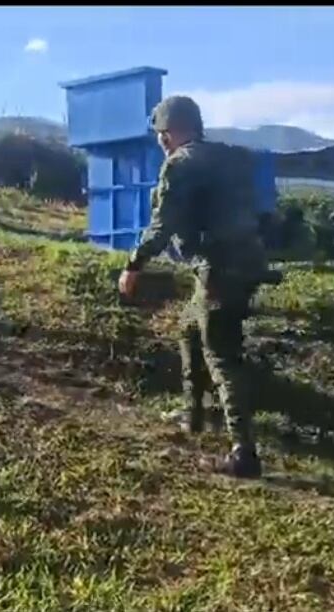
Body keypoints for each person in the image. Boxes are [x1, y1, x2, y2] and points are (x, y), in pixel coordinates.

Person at [117, 95, 280, 479]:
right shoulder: (233, 156)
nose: (160, 141)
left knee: (222, 354)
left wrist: (133, 266)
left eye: (161, 133)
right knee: (190, 330)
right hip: (245, 262)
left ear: (169, 131)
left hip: (219, 269)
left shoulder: (181, 163)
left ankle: (245, 454)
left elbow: (162, 225)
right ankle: (193, 415)